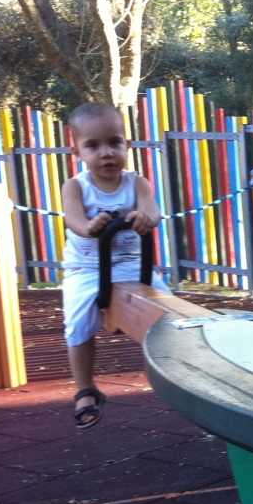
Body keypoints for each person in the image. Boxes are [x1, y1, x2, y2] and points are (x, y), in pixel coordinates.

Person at [61, 103, 169, 429]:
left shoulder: (137, 183)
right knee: (78, 321)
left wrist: (145, 217)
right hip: (87, 268)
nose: (106, 153)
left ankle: (173, 373)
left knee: (168, 312)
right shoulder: (76, 186)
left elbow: (153, 211)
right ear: (77, 151)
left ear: (127, 145)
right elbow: (73, 218)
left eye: (114, 143)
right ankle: (85, 389)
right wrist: (88, 227)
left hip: (132, 264)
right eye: (93, 146)